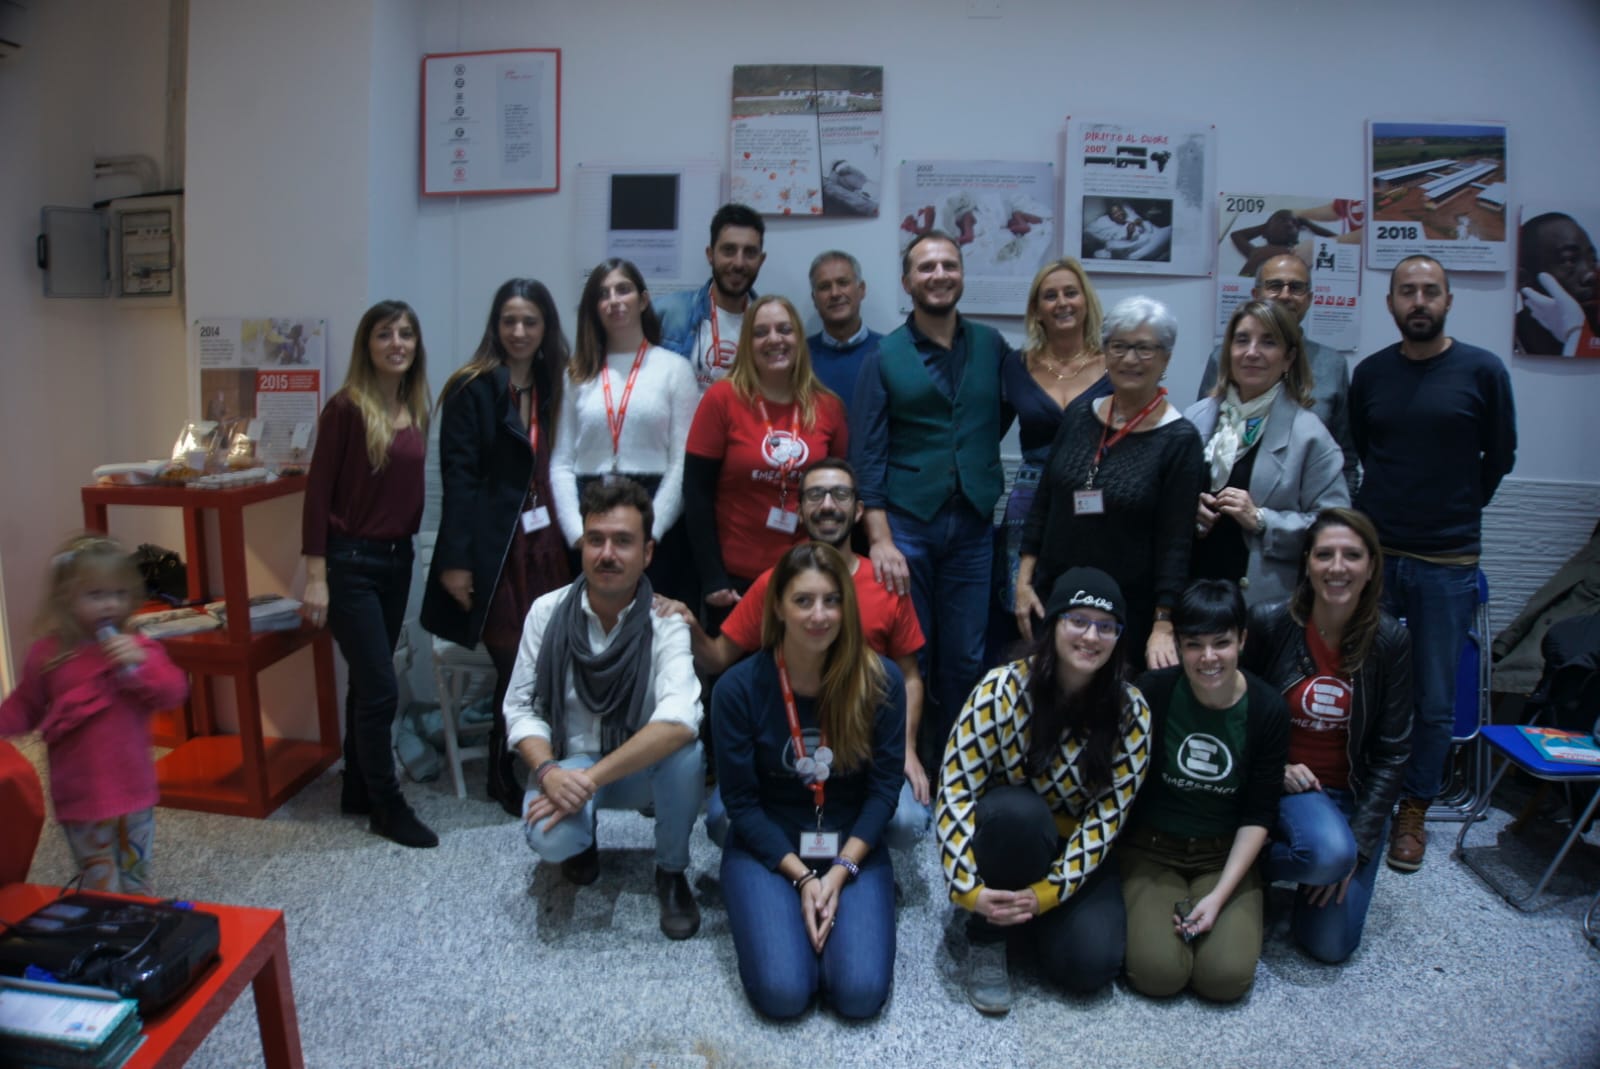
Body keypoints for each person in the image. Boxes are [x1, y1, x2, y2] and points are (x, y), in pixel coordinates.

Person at [1349, 255, 1516, 872]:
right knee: (1361, 680)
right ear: (1391, 303)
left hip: (1447, 559)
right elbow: (1364, 449)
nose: (1418, 301)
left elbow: (1500, 455)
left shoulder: (1483, 370)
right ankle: (1360, 793)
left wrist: (1456, 510)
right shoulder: (1370, 374)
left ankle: (1413, 808)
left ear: (1448, 301)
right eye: (1407, 291)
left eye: (1430, 291)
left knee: (1435, 694)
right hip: (1377, 555)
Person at [679, 459, 928, 849]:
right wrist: (690, 626)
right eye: (815, 495)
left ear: (858, 511)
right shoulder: (775, 583)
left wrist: (906, 747)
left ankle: (856, 847)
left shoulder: (886, 583)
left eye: (840, 494)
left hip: (861, 749)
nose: (827, 504)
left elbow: (909, 676)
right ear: (799, 511)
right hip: (783, 752)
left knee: (908, 823)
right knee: (722, 821)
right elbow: (718, 658)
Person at [936, 568, 1151, 1015]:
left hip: (1072, 848)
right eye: (1078, 621)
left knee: (1089, 966)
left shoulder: (1132, 712)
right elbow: (955, 789)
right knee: (1018, 814)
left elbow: (1107, 818)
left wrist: (1048, 892)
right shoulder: (1000, 690)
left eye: (1106, 626)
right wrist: (966, 888)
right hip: (1012, 834)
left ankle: (1029, 919)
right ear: (1052, 624)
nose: (1091, 636)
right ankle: (988, 934)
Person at [711, 542, 906, 1019]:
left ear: (846, 607)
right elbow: (740, 802)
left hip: (849, 840)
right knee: (783, 995)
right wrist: (801, 879)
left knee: (859, 996)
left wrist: (838, 874)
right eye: (803, 601)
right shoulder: (737, 689)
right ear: (778, 607)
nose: (819, 615)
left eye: (831, 601)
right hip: (769, 842)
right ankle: (788, 918)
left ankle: (840, 919)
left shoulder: (881, 680)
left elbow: (884, 791)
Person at [505, 478, 705, 939]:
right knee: (551, 838)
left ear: (647, 553)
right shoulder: (546, 613)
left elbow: (679, 721)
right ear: (582, 546)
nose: (607, 554)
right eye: (595, 540)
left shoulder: (666, 622)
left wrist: (590, 781)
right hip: (567, 763)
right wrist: (549, 772)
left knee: (687, 754)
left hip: (633, 774)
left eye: (622, 541)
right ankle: (582, 839)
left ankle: (671, 871)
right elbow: (519, 708)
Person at [850, 231, 1011, 762]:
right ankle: (906, 764)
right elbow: (867, 454)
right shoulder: (883, 356)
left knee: (966, 657)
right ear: (907, 282)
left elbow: (1006, 413)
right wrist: (879, 539)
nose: (939, 275)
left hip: (973, 526)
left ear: (962, 274)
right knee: (909, 655)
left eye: (949, 265)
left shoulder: (992, 345)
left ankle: (957, 764)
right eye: (926, 267)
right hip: (907, 527)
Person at [421, 279, 572, 815]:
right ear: (495, 325)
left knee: (549, 653)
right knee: (514, 657)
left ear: (546, 327)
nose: (519, 331)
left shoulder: (558, 384)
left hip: (548, 541)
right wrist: (456, 563)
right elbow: (458, 479)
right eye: (509, 321)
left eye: (530, 321)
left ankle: (540, 757)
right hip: (496, 550)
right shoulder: (472, 387)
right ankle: (501, 763)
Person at [1243, 508, 1413, 964]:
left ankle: (1304, 860)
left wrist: (1356, 848)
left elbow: (1394, 754)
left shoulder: (1391, 641)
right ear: (1307, 564)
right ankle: (1264, 862)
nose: (1338, 567)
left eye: (1352, 555)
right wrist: (1274, 768)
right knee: (1326, 854)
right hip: (1283, 787)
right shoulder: (1269, 622)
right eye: (1324, 555)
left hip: (1351, 798)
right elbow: (1238, 714)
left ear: (1371, 566)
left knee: (1329, 946)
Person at [301, 300, 437, 847]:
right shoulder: (346, 408)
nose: (396, 343)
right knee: (382, 689)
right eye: (385, 334)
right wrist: (316, 576)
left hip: (397, 560)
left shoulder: (414, 404)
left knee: (366, 682)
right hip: (350, 563)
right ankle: (387, 805)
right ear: (368, 344)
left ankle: (357, 787)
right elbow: (317, 495)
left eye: (406, 334)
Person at [1015, 295, 1203, 670]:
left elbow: (1176, 543)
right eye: (1119, 346)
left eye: (1144, 349)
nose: (1130, 359)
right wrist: (1023, 582)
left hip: (1122, 614)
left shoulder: (1180, 440)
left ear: (1165, 358)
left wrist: (1163, 623)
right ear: (1105, 352)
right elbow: (1045, 501)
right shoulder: (1079, 415)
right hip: (1054, 598)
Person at [1121, 579, 1287, 1002]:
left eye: (1221, 643)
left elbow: (1259, 813)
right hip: (1153, 849)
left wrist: (1218, 898)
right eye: (1194, 645)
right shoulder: (1154, 691)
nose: (1208, 657)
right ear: (1178, 645)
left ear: (1242, 641)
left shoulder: (1267, 707)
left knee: (1224, 979)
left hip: (1223, 854)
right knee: (1158, 975)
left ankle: (1229, 906)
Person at [0, 533, 188, 892]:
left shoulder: (139, 647)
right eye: (96, 594)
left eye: (119, 593)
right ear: (66, 597)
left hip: (134, 791)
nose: (110, 604)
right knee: (100, 884)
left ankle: (137, 918)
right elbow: (25, 706)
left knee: (136, 879)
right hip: (81, 795)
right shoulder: (49, 654)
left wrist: (141, 663)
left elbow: (173, 692)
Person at [684, 295, 848, 619]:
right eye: (761, 332)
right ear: (748, 343)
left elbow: (843, 496)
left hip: (808, 573)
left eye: (784, 330)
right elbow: (696, 493)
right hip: (734, 581)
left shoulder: (828, 407)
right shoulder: (722, 398)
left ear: (799, 338)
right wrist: (713, 577)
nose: (774, 339)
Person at [550, 258, 698, 603]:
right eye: (603, 293)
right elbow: (560, 462)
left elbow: (682, 463)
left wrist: (651, 531)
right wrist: (576, 532)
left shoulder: (675, 369)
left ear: (643, 300)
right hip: (591, 511)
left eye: (623, 290)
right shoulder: (576, 374)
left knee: (652, 622)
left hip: (655, 513)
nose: (614, 300)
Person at [1184, 300, 1348, 605]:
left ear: (1289, 358)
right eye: (1242, 340)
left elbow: (1335, 529)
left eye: (1268, 342)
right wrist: (1186, 510)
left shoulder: (1310, 436)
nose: (1252, 352)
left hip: (1266, 606)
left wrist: (1262, 520)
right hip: (1192, 597)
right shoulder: (1194, 418)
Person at [996, 258, 1111, 636]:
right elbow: (987, 430)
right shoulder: (1015, 365)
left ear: (1086, 302)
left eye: (1070, 293)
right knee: (1023, 607)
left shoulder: (1113, 364)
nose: (1062, 302)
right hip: (1029, 497)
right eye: (1050, 296)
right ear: (1036, 310)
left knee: (1087, 603)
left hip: (1092, 495)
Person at [1197, 253, 1358, 490]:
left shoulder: (1332, 364)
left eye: (1296, 287)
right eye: (1274, 286)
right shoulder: (1225, 357)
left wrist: (1339, 510)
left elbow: (1346, 458)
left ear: (1309, 299)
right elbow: (1200, 438)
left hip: (1299, 506)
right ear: (1256, 294)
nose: (1285, 295)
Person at [656, 203, 767, 392]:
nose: (739, 263)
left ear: (761, 260)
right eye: (729, 250)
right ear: (710, 255)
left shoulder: (769, 326)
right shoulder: (669, 312)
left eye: (749, 253)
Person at [1515, 212, 1599, 357]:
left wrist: (1576, 333)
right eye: (1569, 260)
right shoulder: (1500, 340)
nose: (1591, 275)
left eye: (1593, 260)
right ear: (1523, 279)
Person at [806, 251, 881, 409]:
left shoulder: (889, 351)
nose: (835, 293)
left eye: (843, 283)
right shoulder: (800, 355)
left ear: (861, 290)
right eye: (825, 287)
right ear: (814, 298)